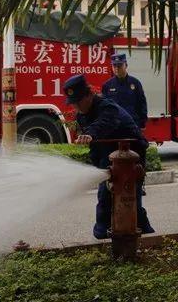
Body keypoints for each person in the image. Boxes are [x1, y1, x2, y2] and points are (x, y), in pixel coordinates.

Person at [64, 74, 155, 239]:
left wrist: (91, 134)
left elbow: (105, 123)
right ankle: (104, 232)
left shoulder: (108, 107)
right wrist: (97, 167)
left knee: (131, 196)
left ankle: (142, 233)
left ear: (89, 95)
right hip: (109, 154)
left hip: (132, 155)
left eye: (78, 102)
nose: (76, 107)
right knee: (106, 194)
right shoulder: (82, 115)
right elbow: (96, 146)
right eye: (73, 103)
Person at [102, 53, 148, 130]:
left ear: (126, 65)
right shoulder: (107, 85)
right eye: (114, 66)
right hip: (114, 125)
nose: (116, 68)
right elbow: (104, 107)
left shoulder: (135, 83)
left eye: (119, 66)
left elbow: (142, 104)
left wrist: (142, 123)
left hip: (133, 124)